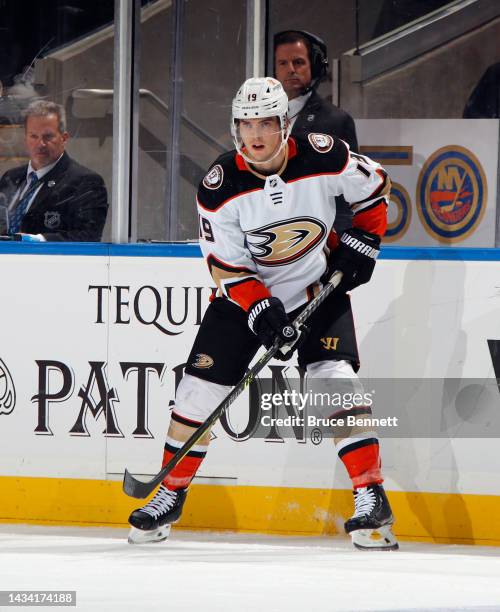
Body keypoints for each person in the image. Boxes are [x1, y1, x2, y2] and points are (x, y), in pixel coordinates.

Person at [128, 77, 398, 551]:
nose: (254, 133)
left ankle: (371, 495)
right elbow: (225, 265)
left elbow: (374, 187)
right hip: (245, 298)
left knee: (332, 378)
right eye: (245, 123)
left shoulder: (323, 154)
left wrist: (366, 240)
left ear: (285, 124)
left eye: (266, 122)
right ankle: (168, 495)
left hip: (318, 284)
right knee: (198, 391)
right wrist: (259, 308)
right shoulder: (219, 185)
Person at [0, 100, 108, 241]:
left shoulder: (86, 182)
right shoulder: (11, 177)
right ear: (25, 139)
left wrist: (38, 240)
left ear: (64, 138)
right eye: (34, 136)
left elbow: (88, 237)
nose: (41, 144)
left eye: (48, 136)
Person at [274, 30, 358, 152]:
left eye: (298, 62)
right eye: (283, 63)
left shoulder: (338, 121)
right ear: (274, 69)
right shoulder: (257, 117)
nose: (291, 69)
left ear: (314, 67)